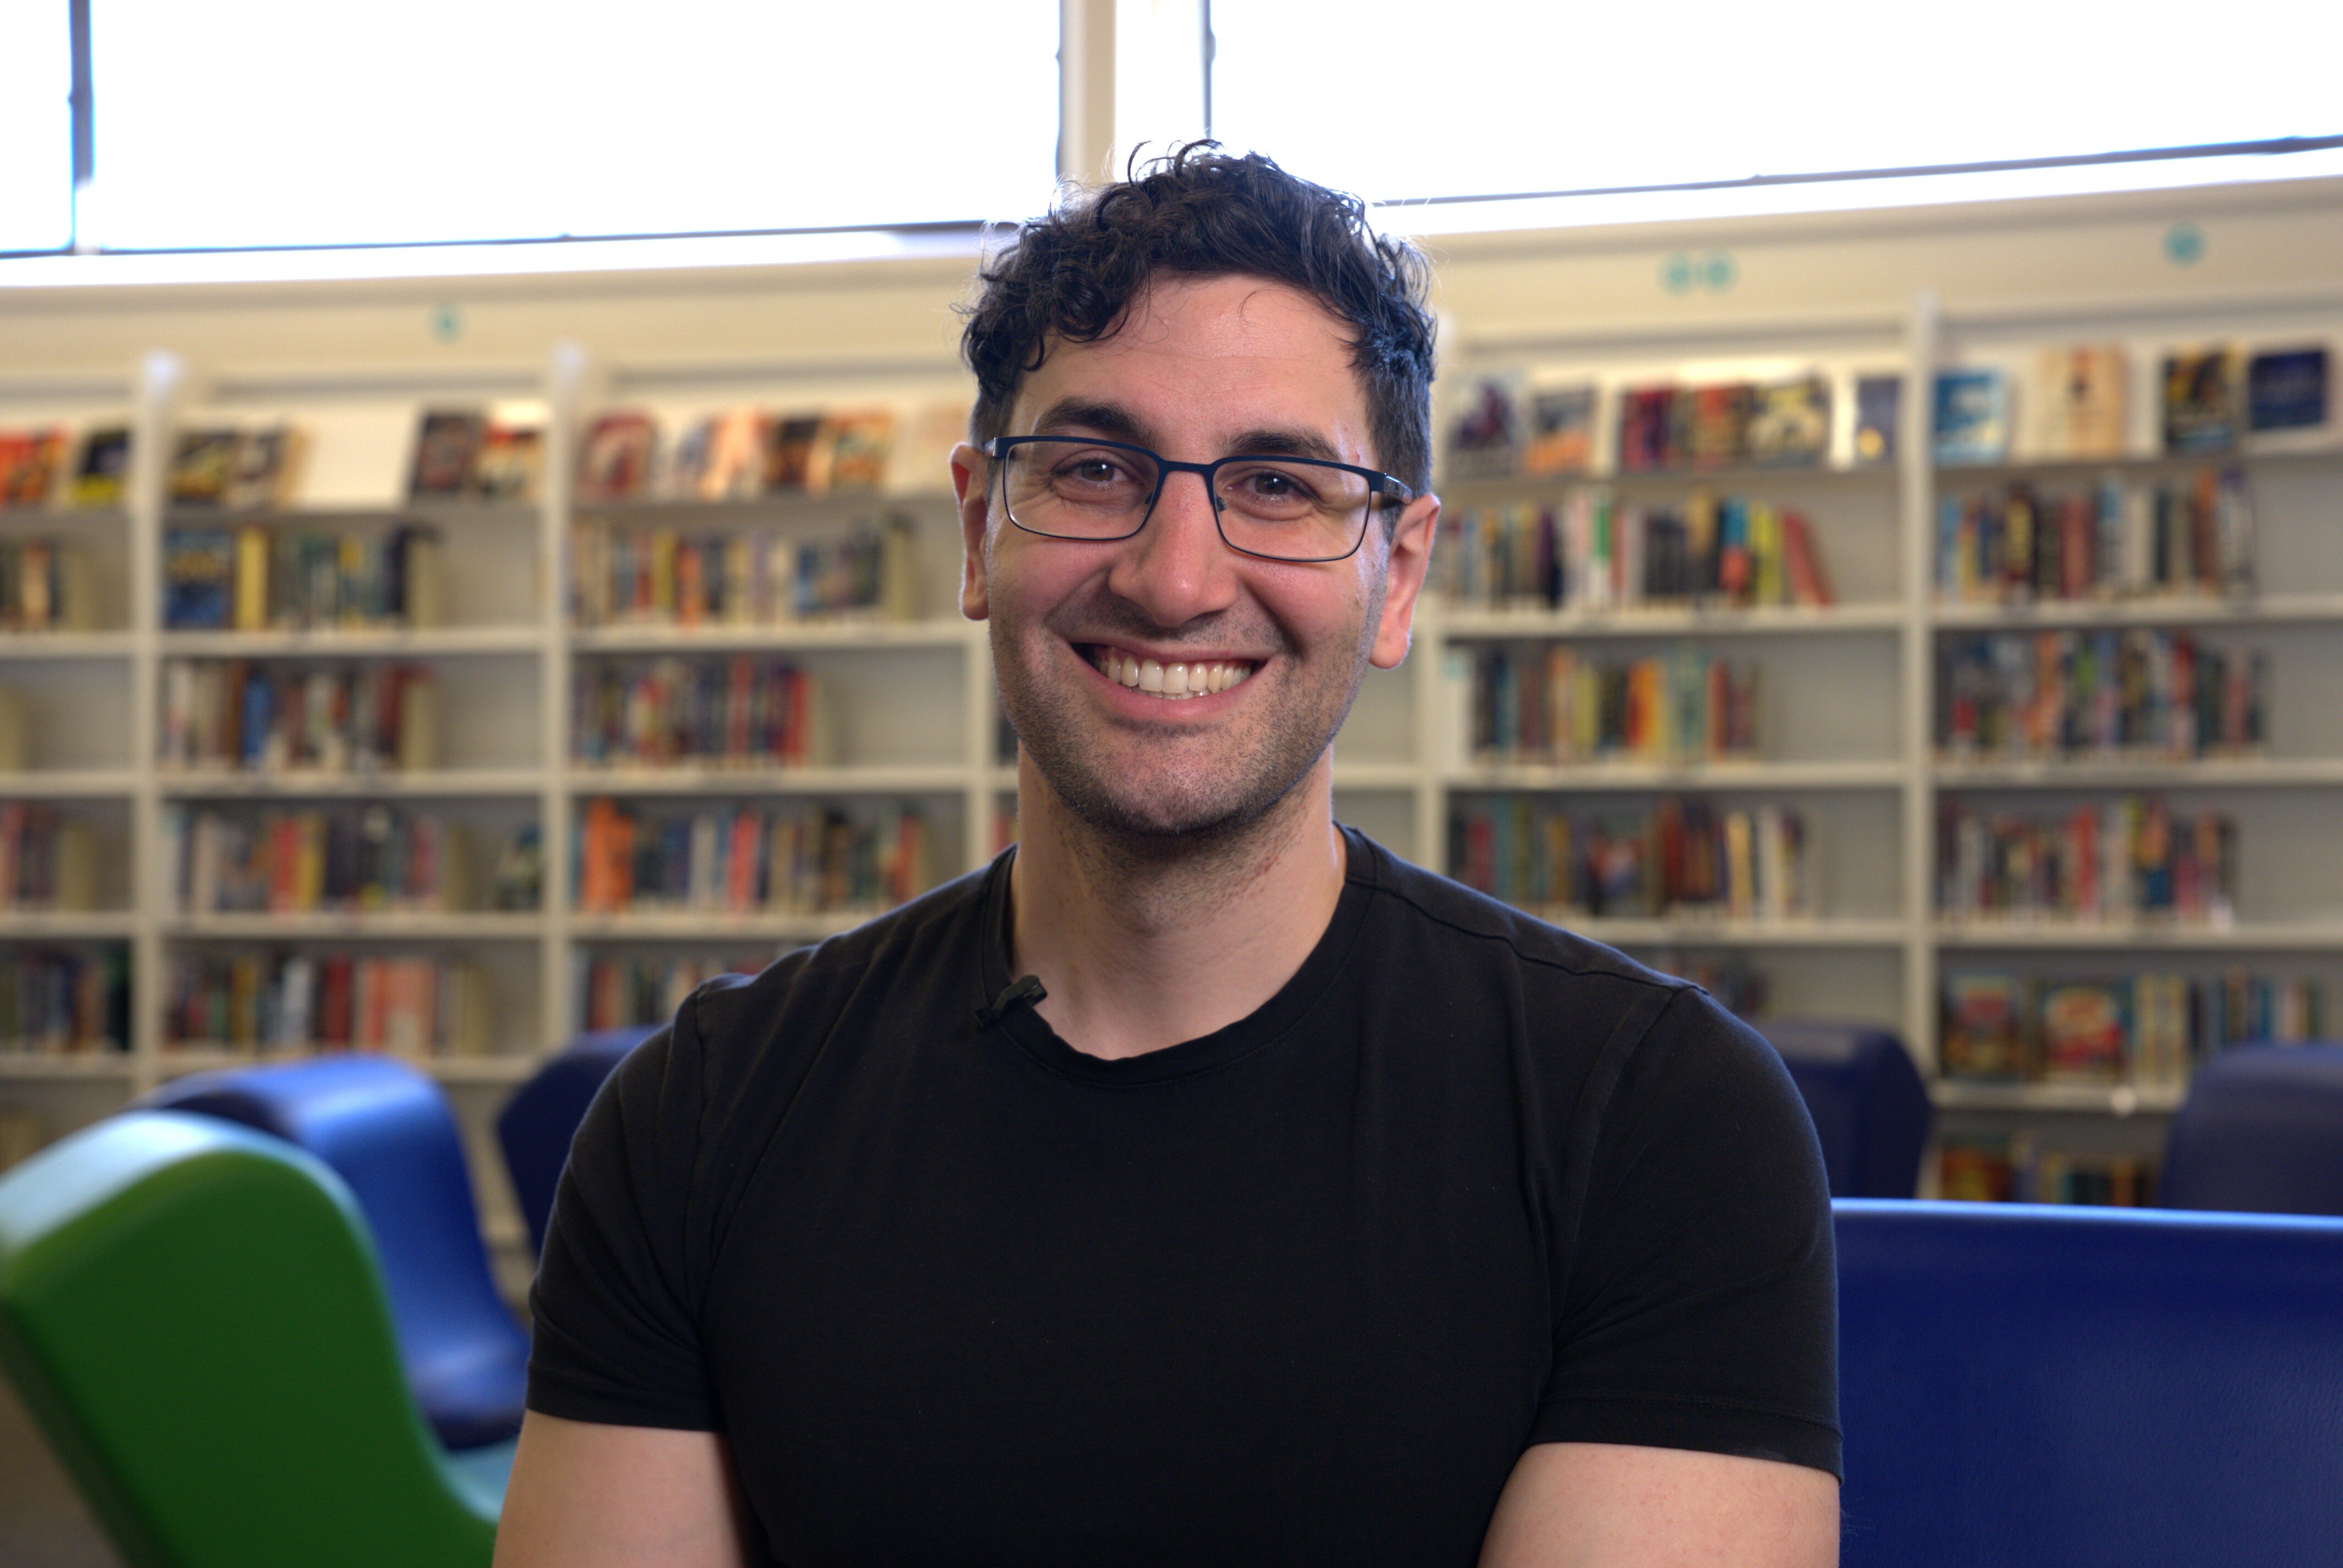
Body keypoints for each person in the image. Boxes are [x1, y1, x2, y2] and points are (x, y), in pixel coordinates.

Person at [496, 146, 1840, 1568]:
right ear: (978, 528)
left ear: (1401, 574)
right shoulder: (695, 1125)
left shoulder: (1658, 1132)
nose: (1177, 577)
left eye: (1279, 484)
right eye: (1091, 469)